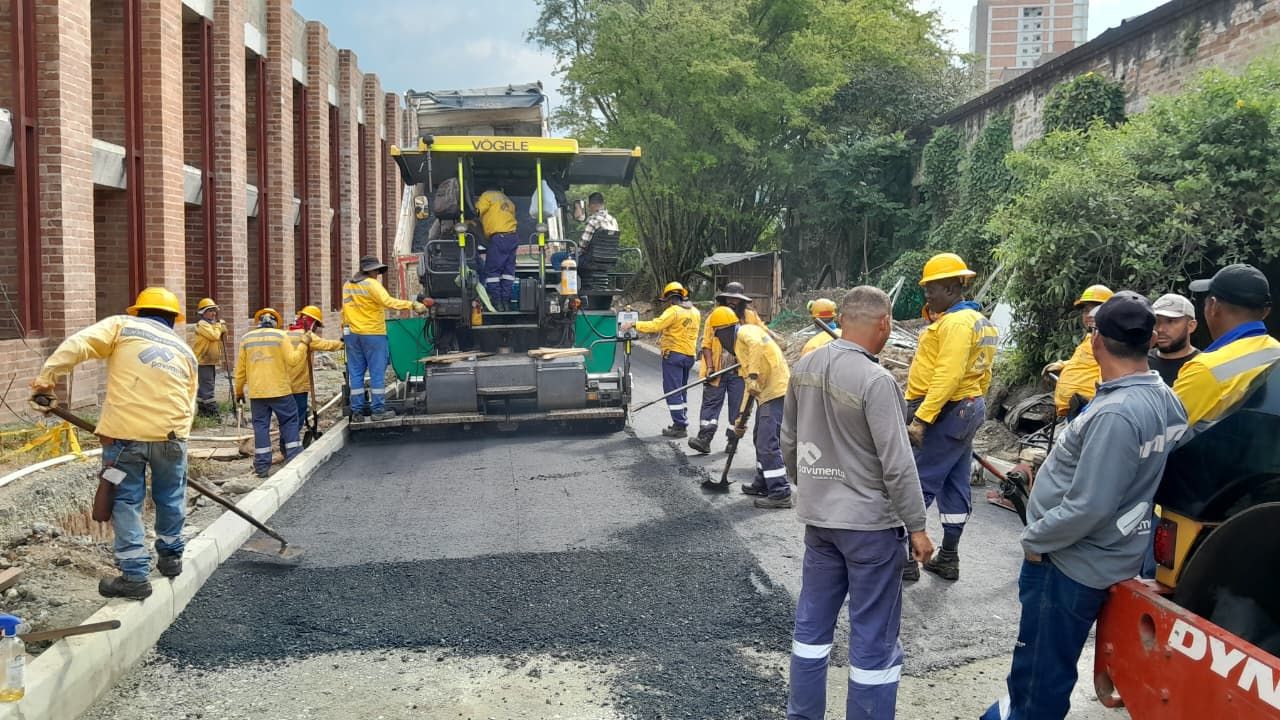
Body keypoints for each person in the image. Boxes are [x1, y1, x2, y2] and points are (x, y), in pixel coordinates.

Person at [982, 292, 1187, 720]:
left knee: (1039, 676)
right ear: (1150, 340)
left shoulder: (1116, 413)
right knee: (1041, 670)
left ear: (1096, 341)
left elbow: (1090, 506)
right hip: (1107, 552)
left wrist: (1036, 539)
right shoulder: (1164, 398)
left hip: (1069, 562)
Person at [783, 287, 933, 720]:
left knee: (811, 630)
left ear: (842, 319)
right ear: (884, 323)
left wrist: (810, 485)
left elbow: (788, 440)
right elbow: (897, 464)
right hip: (870, 530)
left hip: (820, 524)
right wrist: (917, 526)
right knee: (873, 640)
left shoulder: (805, 366)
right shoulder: (876, 380)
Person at [29, 287, 197, 600]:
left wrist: (46, 380)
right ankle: (171, 557)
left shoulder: (122, 325)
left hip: (124, 439)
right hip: (172, 438)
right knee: (171, 494)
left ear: (139, 311)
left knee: (126, 499)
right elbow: (190, 400)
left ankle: (134, 576)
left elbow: (78, 345)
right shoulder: (185, 350)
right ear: (173, 319)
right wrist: (176, 441)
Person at [902, 253, 998, 581]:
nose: (927, 295)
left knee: (920, 480)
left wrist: (922, 419)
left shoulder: (956, 323)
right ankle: (948, 556)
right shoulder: (979, 321)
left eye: (931, 289)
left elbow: (949, 374)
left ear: (951, 287)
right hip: (966, 407)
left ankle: (906, 559)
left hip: (947, 408)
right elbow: (983, 374)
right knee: (955, 481)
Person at [1174, 263, 1280, 430]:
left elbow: (1158, 434)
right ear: (1266, 312)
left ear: (1214, 306)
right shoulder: (1276, 351)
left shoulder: (1205, 370)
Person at [708, 305, 793, 508]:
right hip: (767, 392)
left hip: (775, 391)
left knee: (767, 442)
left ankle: (780, 492)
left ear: (725, 330)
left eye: (718, 335)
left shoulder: (745, 333)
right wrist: (740, 420)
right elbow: (749, 386)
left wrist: (754, 375)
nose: (720, 341)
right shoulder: (742, 343)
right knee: (758, 437)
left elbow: (756, 347)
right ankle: (763, 482)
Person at [342, 255, 429, 421]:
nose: (377, 274)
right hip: (372, 333)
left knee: (356, 373)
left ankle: (357, 412)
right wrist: (412, 305)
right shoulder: (372, 284)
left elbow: (345, 309)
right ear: (370, 271)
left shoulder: (347, 285)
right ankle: (378, 410)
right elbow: (388, 302)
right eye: (376, 271)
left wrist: (345, 330)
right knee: (376, 372)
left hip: (352, 334)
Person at [688, 282, 770, 454]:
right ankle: (704, 439)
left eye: (736, 299)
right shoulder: (715, 317)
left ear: (742, 301)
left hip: (740, 372)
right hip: (717, 370)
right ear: (724, 299)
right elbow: (706, 344)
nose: (732, 301)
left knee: (739, 408)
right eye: (729, 298)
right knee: (710, 404)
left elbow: (762, 336)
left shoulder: (750, 317)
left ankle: (733, 441)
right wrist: (710, 367)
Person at [235, 308, 309, 478]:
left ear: (258, 322)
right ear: (276, 322)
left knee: (261, 427)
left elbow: (240, 371)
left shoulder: (246, 339)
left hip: (257, 393)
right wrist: (304, 343)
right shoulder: (281, 336)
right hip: (280, 391)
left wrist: (239, 391)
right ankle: (294, 459)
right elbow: (293, 361)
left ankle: (262, 467)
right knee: (289, 422)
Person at [622, 282, 701, 437]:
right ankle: (681, 421)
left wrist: (633, 324)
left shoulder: (673, 311)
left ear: (670, 299)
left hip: (674, 355)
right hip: (689, 356)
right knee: (681, 390)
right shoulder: (695, 312)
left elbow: (655, 325)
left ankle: (680, 426)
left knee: (673, 391)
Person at [1046, 285, 1113, 418]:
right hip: (1074, 409)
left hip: (1089, 411)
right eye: (1086, 311)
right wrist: (1062, 365)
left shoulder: (1110, 341)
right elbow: (1085, 361)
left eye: (1095, 310)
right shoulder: (1091, 338)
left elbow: (1110, 372)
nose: (1089, 315)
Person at [287, 305, 345, 422]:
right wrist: (343, 344)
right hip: (299, 382)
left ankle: (287, 432)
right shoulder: (307, 336)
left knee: (288, 413)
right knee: (299, 413)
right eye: (316, 325)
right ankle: (293, 433)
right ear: (312, 323)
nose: (316, 329)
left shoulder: (286, 333)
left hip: (284, 382)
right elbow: (326, 345)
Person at [476, 187, 520, 311]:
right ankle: (506, 303)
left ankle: (497, 303)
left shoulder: (487, 196)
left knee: (492, 272)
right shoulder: (507, 200)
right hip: (512, 237)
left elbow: (477, 211)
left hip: (499, 237)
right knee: (508, 272)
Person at [1148, 293, 1199, 386]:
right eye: (1156, 321)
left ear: (1191, 326)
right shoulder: (1141, 363)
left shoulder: (1200, 365)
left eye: (1170, 321)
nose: (1160, 329)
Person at [190, 298, 228, 417]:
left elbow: (220, 338)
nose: (214, 313)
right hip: (203, 361)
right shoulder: (202, 324)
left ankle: (203, 412)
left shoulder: (212, 325)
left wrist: (223, 330)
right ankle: (212, 413)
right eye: (210, 311)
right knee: (208, 387)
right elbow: (214, 336)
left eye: (214, 310)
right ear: (203, 312)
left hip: (209, 361)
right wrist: (219, 326)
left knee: (204, 387)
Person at [577, 191, 618, 256]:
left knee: (563, 257)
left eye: (588, 205)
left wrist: (574, 252)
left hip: (593, 259)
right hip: (611, 258)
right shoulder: (613, 220)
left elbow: (583, 244)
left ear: (592, 205)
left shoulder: (593, 220)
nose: (588, 208)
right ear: (602, 204)